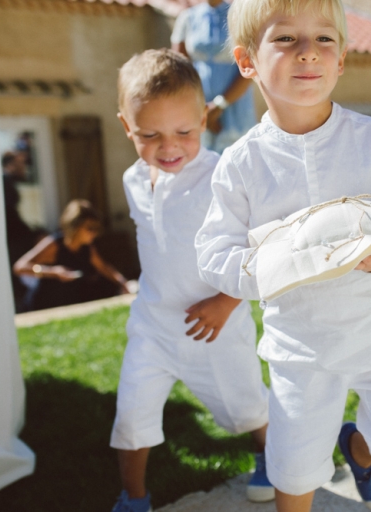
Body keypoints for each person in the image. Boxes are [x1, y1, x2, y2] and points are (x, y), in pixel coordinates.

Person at [196, 1, 371, 511]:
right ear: (246, 61)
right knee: (294, 466)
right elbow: (215, 252)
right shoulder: (240, 163)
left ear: (342, 58)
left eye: (324, 39)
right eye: (286, 39)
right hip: (300, 346)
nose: (308, 52)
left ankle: (357, 446)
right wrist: (271, 266)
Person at [109, 49, 271, 512]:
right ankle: (133, 496)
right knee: (132, 413)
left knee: (246, 407)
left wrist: (225, 301)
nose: (168, 147)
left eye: (183, 131)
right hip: (154, 325)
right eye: (149, 135)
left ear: (204, 117)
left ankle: (269, 456)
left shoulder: (222, 176)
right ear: (126, 126)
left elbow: (258, 247)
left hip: (216, 325)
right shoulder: (133, 180)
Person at [171, 0, 257, 153]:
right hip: (197, 106)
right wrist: (201, 109)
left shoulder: (239, 16)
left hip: (234, 105)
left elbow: (249, 67)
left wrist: (219, 105)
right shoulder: (187, 18)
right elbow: (180, 68)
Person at [13, 199, 128, 311]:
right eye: (90, 228)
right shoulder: (54, 245)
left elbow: (103, 267)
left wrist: (122, 282)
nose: (94, 233)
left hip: (64, 305)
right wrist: (52, 272)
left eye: (96, 228)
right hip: (42, 305)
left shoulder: (86, 248)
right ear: (75, 226)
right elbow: (20, 267)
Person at [2, 150, 39, 311]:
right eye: (20, 163)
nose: (24, 167)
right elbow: (9, 215)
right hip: (12, 239)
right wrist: (31, 234)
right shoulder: (4, 182)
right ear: (10, 165)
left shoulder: (6, 181)